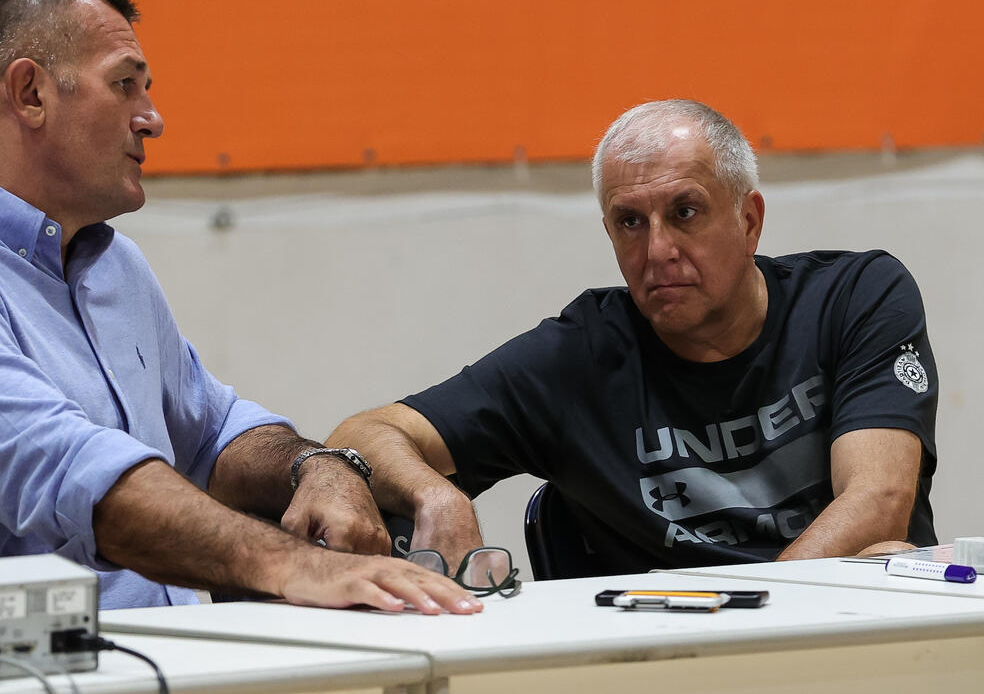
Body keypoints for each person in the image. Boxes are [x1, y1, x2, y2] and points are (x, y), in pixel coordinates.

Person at [0, 0, 482, 615]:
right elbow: (65, 471)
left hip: (152, 666)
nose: (152, 118)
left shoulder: (111, 262)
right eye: (125, 84)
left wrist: (316, 464)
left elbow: (213, 433)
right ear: (30, 94)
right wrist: (296, 566)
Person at [330, 99, 937, 576]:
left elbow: (878, 500)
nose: (657, 251)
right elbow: (362, 436)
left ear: (749, 219)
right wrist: (439, 498)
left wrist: (759, 617)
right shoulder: (581, 356)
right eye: (630, 222)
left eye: (685, 212)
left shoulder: (856, 298)